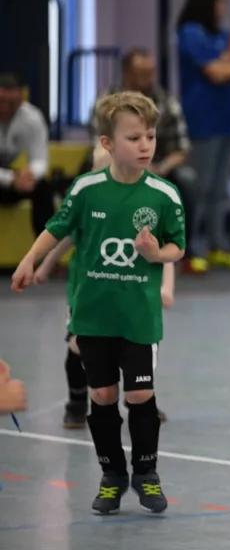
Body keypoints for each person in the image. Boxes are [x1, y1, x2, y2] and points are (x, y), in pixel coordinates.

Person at [11, 91, 186, 516]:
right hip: (93, 316)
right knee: (103, 395)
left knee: (140, 393)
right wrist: (30, 259)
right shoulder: (87, 189)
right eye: (134, 138)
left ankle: (147, 473)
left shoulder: (164, 195)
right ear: (107, 144)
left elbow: (177, 249)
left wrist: (154, 254)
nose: (145, 146)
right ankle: (112, 476)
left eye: (149, 137)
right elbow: (57, 227)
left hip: (138, 317)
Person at [34, 144, 173, 428]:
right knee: (78, 346)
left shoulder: (145, 209)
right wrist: (45, 265)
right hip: (89, 294)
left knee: (140, 345)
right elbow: (63, 239)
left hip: (133, 294)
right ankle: (76, 401)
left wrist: (166, 288)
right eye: (98, 170)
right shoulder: (87, 204)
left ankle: (142, 397)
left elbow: (165, 254)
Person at [91, 49, 206, 274]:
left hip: (159, 166)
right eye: (142, 73)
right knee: (87, 177)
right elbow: (99, 142)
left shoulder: (165, 101)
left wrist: (159, 168)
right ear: (126, 74)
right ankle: (92, 248)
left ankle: (184, 249)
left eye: (151, 73)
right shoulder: (107, 101)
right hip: (115, 163)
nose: (149, 78)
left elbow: (181, 148)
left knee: (188, 180)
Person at [176, 0, 230, 271]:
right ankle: (190, 246)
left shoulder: (224, 35)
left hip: (227, 120)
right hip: (202, 121)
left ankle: (218, 243)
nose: (223, 7)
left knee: (221, 189)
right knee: (199, 186)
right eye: (219, 1)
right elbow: (216, 73)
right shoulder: (190, 33)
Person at [0, 73, 54, 237]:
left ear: (21, 99)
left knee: (43, 188)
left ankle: (46, 253)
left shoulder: (32, 117)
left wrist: (29, 175)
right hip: (6, 178)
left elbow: (40, 160)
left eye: (12, 103)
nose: (5, 108)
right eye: (1, 102)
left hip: (14, 178)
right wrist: (11, 179)